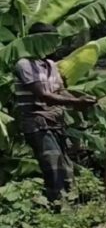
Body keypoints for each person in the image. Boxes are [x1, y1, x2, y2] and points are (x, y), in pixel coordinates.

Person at [12, 23, 97, 204]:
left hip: (56, 122)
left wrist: (81, 100)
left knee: (65, 167)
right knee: (53, 168)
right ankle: (59, 207)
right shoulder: (24, 64)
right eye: (49, 40)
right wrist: (76, 103)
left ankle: (70, 205)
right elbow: (44, 96)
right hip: (38, 123)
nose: (54, 44)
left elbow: (60, 91)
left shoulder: (50, 65)